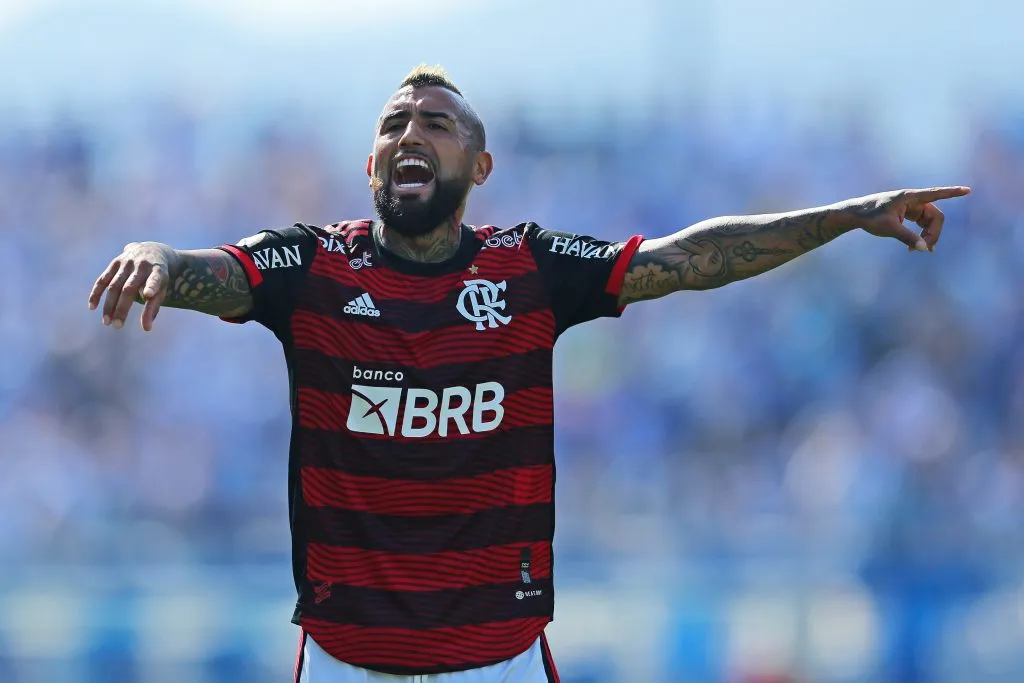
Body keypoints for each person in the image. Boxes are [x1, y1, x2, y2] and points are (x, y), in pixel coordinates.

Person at [87, 64, 971, 683]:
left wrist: (850, 215)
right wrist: (152, 254)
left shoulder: (530, 267)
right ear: (368, 164)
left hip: (499, 658)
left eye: (436, 122)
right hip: (344, 658)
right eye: (394, 122)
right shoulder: (312, 266)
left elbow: (694, 257)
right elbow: (214, 266)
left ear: (479, 166)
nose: (410, 132)